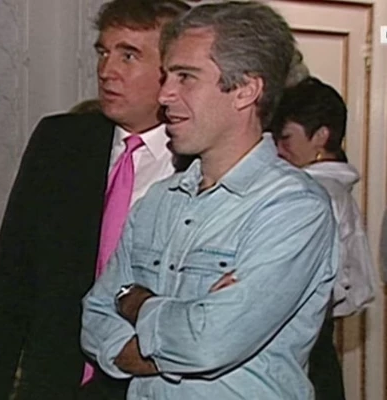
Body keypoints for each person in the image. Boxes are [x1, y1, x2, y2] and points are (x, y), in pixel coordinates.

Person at [81, 2, 340, 399]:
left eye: (185, 77)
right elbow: (95, 318)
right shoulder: (160, 200)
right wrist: (181, 329)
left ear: (246, 90)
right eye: (167, 76)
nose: (164, 94)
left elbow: (207, 344)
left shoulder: (295, 209)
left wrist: (136, 304)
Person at [0, 1, 190, 400]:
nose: (106, 70)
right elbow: (11, 284)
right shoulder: (60, 143)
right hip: (53, 384)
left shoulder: (202, 164)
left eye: (128, 55)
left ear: (174, 72)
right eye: (103, 52)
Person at [271, 76, 376, 400]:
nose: (279, 149)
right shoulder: (336, 191)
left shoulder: (311, 193)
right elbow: (358, 290)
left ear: (321, 136)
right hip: (318, 348)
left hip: (299, 353)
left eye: (286, 138)